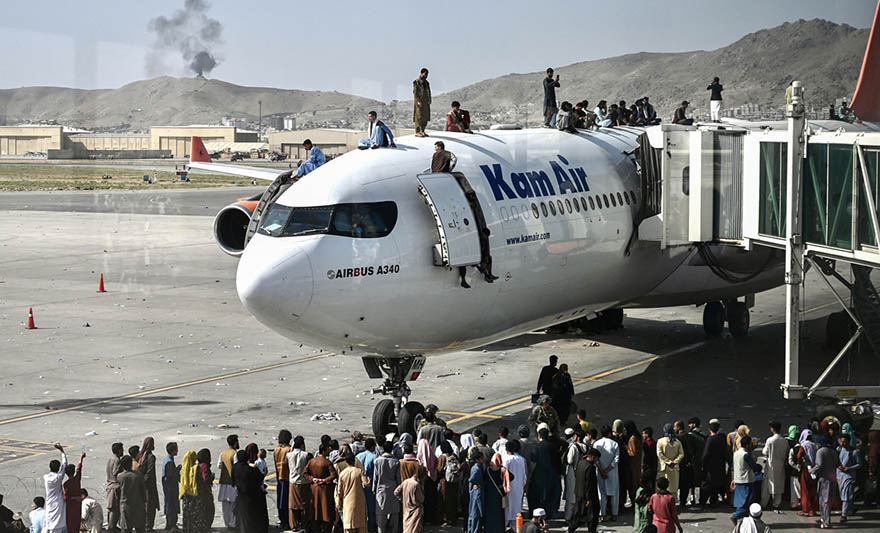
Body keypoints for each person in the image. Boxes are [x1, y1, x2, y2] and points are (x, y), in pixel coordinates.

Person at [232, 448, 268, 533]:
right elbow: (259, 478)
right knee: (251, 516)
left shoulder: (235, 467)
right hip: (251, 496)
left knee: (242, 516)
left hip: (240, 495)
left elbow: (233, 481)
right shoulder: (250, 470)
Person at [304, 444, 338, 533]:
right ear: (324, 450)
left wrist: (312, 479)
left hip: (314, 488)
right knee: (325, 509)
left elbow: (305, 473)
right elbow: (334, 475)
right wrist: (324, 480)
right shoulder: (327, 462)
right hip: (324, 489)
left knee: (314, 509)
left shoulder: (312, 461)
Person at [731, 436, 762, 523]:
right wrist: (759, 467)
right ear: (748, 445)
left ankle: (744, 519)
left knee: (740, 501)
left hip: (738, 479)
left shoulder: (736, 453)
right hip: (746, 480)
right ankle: (736, 516)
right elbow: (754, 466)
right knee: (747, 501)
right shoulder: (746, 455)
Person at [336, 453, 370, 533]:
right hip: (359, 503)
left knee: (349, 526)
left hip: (347, 503)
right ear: (354, 461)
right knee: (361, 526)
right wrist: (368, 479)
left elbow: (339, 491)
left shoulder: (342, 474)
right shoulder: (359, 471)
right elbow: (366, 484)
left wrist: (339, 503)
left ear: (346, 462)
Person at [373, 441, 401, 533]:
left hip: (381, 490)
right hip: (393, 490)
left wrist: (374, 490)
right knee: (394, 514)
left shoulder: (378, 461)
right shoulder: (396, 461)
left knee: (381, 515)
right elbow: (398, 479)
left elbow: (375, 478)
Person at [593, 426, 620, 521]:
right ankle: (614, 514)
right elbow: (616, 460)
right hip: (612, 472)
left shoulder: (596, 444)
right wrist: (608, 470)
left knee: (602, 494)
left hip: (600, 472)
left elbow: (595, 459)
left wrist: (602, 470)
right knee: (614, 494)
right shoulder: (615, 444)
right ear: (609, 433)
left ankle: (602, 515)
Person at [811, 437, 839, 529]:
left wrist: (812, 470)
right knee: (827, 500)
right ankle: (824, 518)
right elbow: (837, 464)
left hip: (824, 479)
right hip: (832, 479)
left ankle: (826, 522)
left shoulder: (821, 451)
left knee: (824, 501)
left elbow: (819, 465)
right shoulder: (834, 452)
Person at [286, 436, 312, 532]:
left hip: (293, 482)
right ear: (302, 445)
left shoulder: (288, 455)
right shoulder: (306, 455)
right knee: (304, 505)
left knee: (293, 506)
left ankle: (294, 525)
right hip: (304, 482)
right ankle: (305, 524)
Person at [700, 420, 728, 507]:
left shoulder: (710, 440)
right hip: (720, 464)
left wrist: (703, 465)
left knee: (707, 484)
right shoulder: (722, 438)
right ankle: (714, 500)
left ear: (710, 429)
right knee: (716, 483)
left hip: (710, 466)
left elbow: (706, 454)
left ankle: (703, 501)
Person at [761, 421, 787, 510]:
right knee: (779, 483)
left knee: (767, 484)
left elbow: (764, 452)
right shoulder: (784, 441)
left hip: (771, 464)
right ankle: (776, 503)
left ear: (772, 429)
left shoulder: (770, 440)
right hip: (781, 464)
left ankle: (764, 503)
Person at [502, 440, 526, 531]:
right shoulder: (521, 459)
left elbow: (504, 475)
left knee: (506, 513)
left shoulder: (506, 460)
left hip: (508, 490)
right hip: (518, 489)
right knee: (516, 513)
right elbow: (524, 476)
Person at [136, 438, 160, 532]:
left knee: (145, 506)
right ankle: (148, 526)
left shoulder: (141, 456)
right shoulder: (150, 457)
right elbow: (150, 472)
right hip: (150, 486)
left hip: (142, 485)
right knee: (151, 506)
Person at [118, 455, 146, 533]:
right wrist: (145, 503)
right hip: (138, 505)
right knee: (140, 528)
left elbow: (118, 492)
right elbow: (143, 491)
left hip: (125, 505)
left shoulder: (120, 476)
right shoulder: (138, 475)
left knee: (126, 528)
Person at [656, 424, 684, 502]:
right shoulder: (677, 441)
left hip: (664, 467)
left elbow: (659, 454)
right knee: (673, 486)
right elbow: (681, 454)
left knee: (663, 485)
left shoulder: (660, 441)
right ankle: (673, 502)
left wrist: (668, 462)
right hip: (674, 467)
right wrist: (675, 462)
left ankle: (662, 502)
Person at [836, 433, 860, 523]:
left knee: (845, 495)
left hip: (849, 477)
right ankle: (851, 508)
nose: (843, 444)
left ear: (849, 442)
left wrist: (849, 468)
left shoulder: (854, 452)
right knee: (844, 494)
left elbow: (859, 464)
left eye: (845, 442)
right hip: (840, 476)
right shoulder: (838, 450)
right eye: (842, 442)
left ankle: (844, 515)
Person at [43, 444, 67, 533]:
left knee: (49, 521)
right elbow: (64, 465)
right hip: (58, 501)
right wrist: (62, 452)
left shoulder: (46, 477)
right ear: (58, 468)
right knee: (58, 523)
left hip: (50, 501)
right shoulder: (58, 477)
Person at [356, 438, 378, 531]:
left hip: (359, 485)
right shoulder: (374, 457)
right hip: (370, 485)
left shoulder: (358, 456)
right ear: (373, 446)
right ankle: (371, 528)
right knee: (371, 509)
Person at [217, 434, 238, 530]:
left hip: (223, 482)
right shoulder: (235, 454)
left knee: (225, 506)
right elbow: (237, 467)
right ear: (235, 443)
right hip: (232, 483)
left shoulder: (223, 453)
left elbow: (219, 465)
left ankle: (227, 523)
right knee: (233, 505)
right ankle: (232, 524)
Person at [796, 429, 818, 517]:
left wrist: (800, 464)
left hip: (806, 470)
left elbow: (799, 456)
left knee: (805, 490)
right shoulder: (815, 445)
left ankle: (806, 509)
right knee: (813, 490)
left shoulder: (803, 445)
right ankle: (813, 510)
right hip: (814, 469)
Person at [394, 469, 424, 533]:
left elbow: (396, 492)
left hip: (406, 508)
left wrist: (403, 500)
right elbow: (421, 499)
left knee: (406, 528)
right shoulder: (416, 485)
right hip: (415, 510)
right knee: (414, 529)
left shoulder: (405, 481)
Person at [273, 430, 292, 530]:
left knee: (280, 500)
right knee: (286, 500)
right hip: (287, 477)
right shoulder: (289, 450)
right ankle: (287, 520)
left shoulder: (276, 449)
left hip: (279, 477)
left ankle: (282, 519)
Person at [623, 420, 644, 507]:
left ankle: (634, 501)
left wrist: (625, 448)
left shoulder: (632, 438)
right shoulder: (637, 436)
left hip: (632, 464)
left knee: (633, 483)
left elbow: (633, 452)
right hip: (637, 464)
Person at [63, 452, 85, 533]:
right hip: (77, 505)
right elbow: (79, 469)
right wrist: (81, 458)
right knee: (77, 522)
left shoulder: (66, 484)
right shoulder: (77, 479)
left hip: (70, 506)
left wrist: (73, 498)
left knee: (70, 524)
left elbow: (66, 497)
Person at [162, 442, 180, 532]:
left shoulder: (168, 459)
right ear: (173, 451)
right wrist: (178, 470)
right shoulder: (169, 462)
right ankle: (172, 524)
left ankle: (169, 523)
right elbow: (170, 476)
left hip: (168, 487)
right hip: (170, 488)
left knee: (169, 504)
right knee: (171, 505)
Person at [107, 442, 124, 533]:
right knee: (114, 508)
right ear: (119, 450)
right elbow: (115, 473)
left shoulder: (111, 458)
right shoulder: (117, 460)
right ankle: (111, 527)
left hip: (110, 485)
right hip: (115, 486)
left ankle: (112, 525)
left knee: (112, 507)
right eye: (122, 449)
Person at [582, 448, 601, 533]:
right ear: (592, 457)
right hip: (590, 495)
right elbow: (589, 484)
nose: (597, 461)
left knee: (581, 515)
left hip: (581, 494)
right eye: (596, 458)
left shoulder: (581, 463)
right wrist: (589, 498)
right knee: (593, 515)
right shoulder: (591, 468)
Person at [465, 449, 484, 533]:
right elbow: (472, 479)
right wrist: (478, 484)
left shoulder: (475, 467)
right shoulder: (476, 469)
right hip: (476, 495)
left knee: (472, 515)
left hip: (474, 494)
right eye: (481, 458)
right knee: (475, 516)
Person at [413, 68, 431, 137]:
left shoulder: (427, 83)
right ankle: (417, 131)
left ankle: (422, 130)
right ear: (422, 73)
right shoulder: (416, 82)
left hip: (426, 102)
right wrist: (418, 101)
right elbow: (415, 92)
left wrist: (429, 100)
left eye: (427, 74)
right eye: (425, 74)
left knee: (425, 117)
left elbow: (428, 92)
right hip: (419, 102)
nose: (426, 75)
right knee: (418, 117)